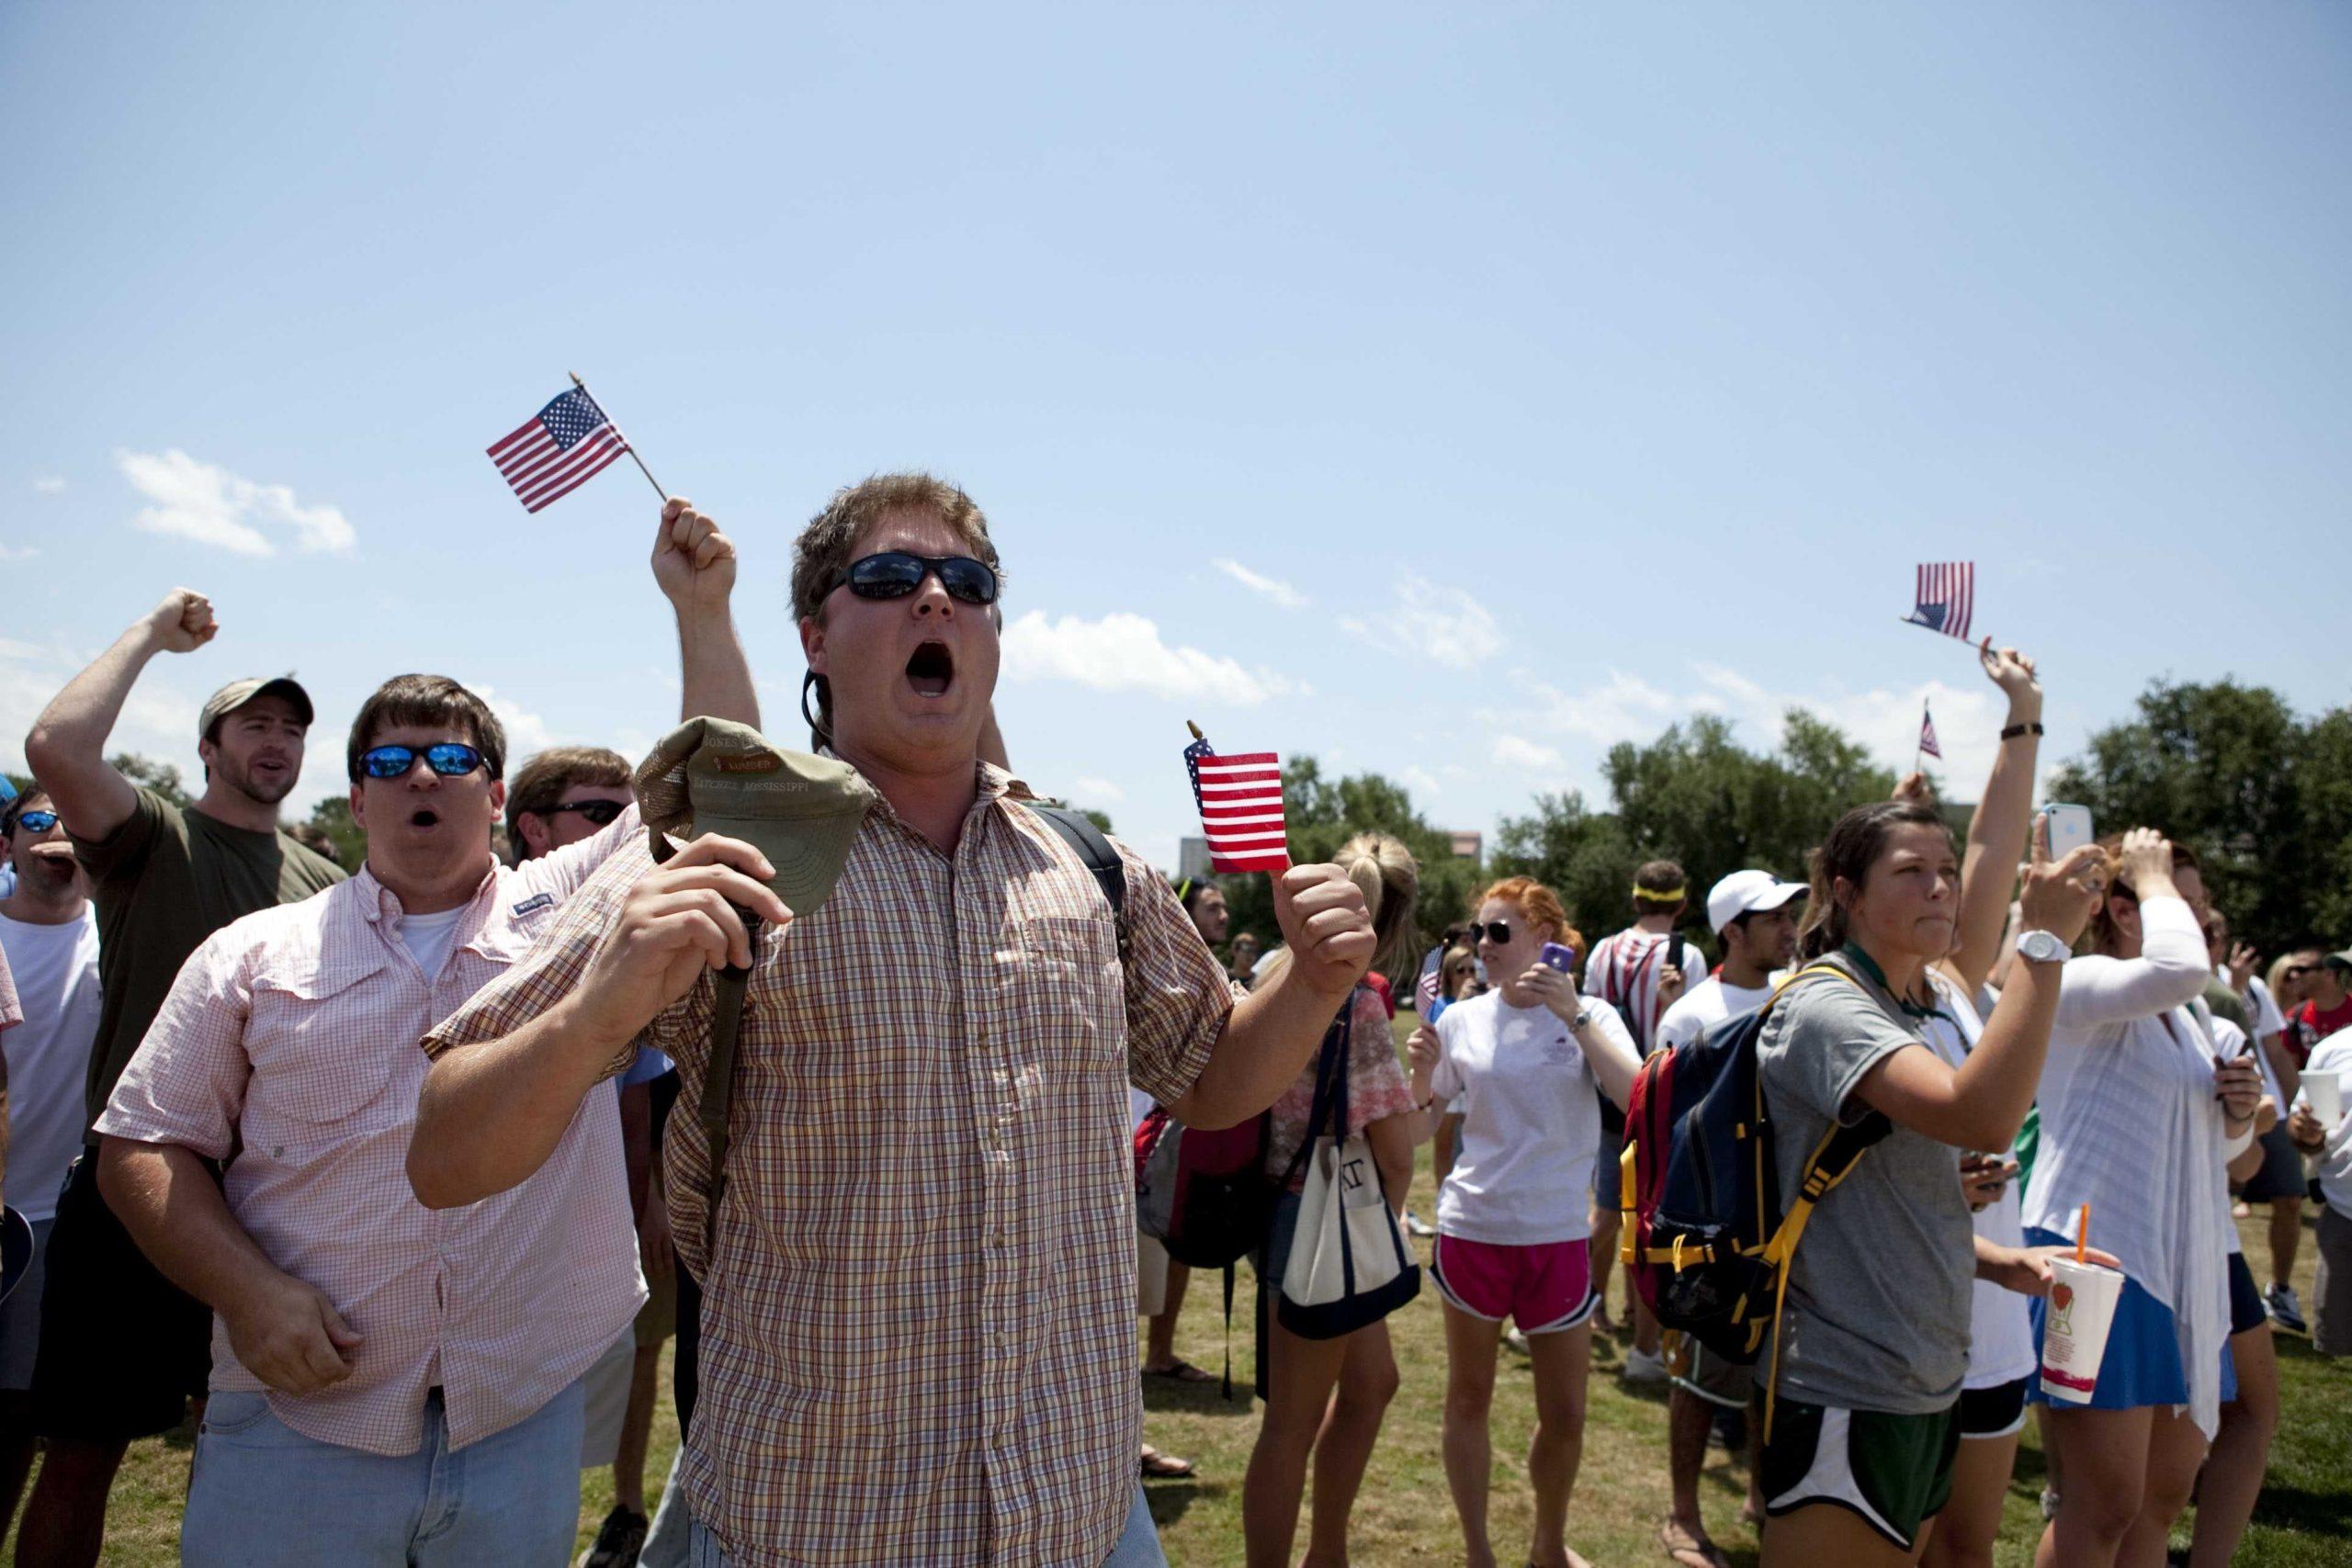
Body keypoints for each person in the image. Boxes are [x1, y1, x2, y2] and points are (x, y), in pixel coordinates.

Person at [406, 471, 1377, 1566]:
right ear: (816, 636)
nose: (934, 599)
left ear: (994, 639)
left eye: (966, 582)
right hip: (817, 1520)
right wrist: (595, 1013)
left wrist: (1308, 983)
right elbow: (445, 1151)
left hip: (1080, 1512)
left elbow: (1209, 1079)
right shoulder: (717, 851)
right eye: (888, 578)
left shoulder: (1090, 866)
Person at [91, 501, 751, 1567]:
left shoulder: (568, 910)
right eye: (391, 766)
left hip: (516, 1420)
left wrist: (701, 609)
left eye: (449, 760)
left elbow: (714, 791)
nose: (422, 780)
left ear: (496, 796)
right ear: (357, 799)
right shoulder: (253, 955)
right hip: (299, 1417)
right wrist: (246, 1294)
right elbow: (139, 1145)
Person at [20, 594, 345, 1568]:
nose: (277, 742)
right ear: (210, 747)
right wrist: (153, 636)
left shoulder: (321, 881)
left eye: (292, 728)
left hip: (261, 1201)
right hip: (137, 1188)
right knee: (82, 1455)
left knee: (237, 1446)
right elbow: (56, 747)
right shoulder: (149, 837)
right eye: (256, 724)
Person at [1752, 801, 2103, 1566]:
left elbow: (1888, 1200)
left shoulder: (1917, 1004)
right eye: (1911, 872)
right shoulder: (1828, 1004)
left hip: (1920, 1378)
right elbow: (1979, 1117)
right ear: (1845, 892)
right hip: (1846, 1379)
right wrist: (2043, 944)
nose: (1941, 888)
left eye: (1946, 872)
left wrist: (1998, 1261)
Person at [2023, 834, 2266, 1568]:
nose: (2195, 917)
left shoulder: (2189, 1022)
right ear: (2125, 909)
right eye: (2179, 902)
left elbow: (2211, 1156)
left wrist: (2233, 1115)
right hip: (2093, 1258)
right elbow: (2182, 963)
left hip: (2178, 1268)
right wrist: (2151, 869)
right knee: (2100, 1507)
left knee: (2159, 1499)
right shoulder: (2083, 978)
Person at [1404, 875, 1643, 1568]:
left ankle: (1548, 1545)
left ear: (1545, 936)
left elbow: (1633, 1094)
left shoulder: (1591, 1012)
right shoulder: (1459, 1018)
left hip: (1557, 1236)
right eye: (1479, 932)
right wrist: (1419, 1079)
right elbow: (1422, 1130)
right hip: (1474, 1229)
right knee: (1469, 1397)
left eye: (1499, 932)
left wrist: (1575, 1016)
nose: (1483, 945)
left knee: (1566, 1412)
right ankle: (1479, 1551)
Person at [506, 744, 682, 1567]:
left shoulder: (636, 930)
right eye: (600, 811)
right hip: (496, 1217)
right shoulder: (488, 925)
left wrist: (644, 1202)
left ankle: (622, 1509)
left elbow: (637, 1096)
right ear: (535, 827)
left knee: (638, 1353)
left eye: (631, 810)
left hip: (607, 1210)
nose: (624, 829)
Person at [1241, 832, 1419, 1568]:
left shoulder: (1279, 969)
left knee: (1374, 1382)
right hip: (1320, 1218)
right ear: (1398, 920)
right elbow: (1396, 1150)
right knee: (1292, 1421)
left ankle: (1329, 1551)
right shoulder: (1363, 997)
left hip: (1276, 1196)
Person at [1649, 866, 1804, 1568]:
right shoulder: (1691, 1013)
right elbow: (1667, 1126)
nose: (1788, 926)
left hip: (1792, 1220)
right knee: (1700, 1379)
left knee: (1773, 1375)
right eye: (1771, 916)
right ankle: (1682, 1513)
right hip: (1717, 1230)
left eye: (1789, 913)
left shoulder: (1801, 997)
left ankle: (1762, 1496)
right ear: (1732, 931)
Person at [0, 789, 102, 1535]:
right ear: (8, 844)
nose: (56, 833)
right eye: (38, 820)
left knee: (15, 1418)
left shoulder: (113, 938)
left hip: (47, 1224)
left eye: (71, 821)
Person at [1581, 861, 1690, 1369]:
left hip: (1607, 1095)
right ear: (1682, 904)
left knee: (1607, 1206)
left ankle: (1591, 1302)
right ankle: (1635, 1308)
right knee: (1648, 1210)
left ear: (1635, 901)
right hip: (1661, 1099)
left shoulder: (1603, 950)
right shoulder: (1684, 954)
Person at [1138, 878, 1238, 1390]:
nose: (1223, 915)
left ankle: (1160, 1351)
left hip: (1176, 1139)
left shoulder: (1209, 973)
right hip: (1135, 1137)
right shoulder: (1163, 969)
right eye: (1212, 907)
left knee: (1172, 1249)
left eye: (1224, 907)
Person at [2206, 911, 2307, 1332]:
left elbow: (2275, 1050)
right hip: (2217, 1114)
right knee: (2218, 1207)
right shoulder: (2180, 986)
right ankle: (2221, 1295)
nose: (2214, 938)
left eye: (2219, 931)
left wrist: (2294, 1102)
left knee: (2291, 1196)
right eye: (2207, 930)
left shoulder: (2256, 989)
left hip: (2265, 1110)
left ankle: (2280, 1290)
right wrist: (2233, 990)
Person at [2286, 1034, 2352, 1356]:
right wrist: (2304, 1132)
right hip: (2344, 1215)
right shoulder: (2333, 1049)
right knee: (2338, 1345)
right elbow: (2306, 1135)